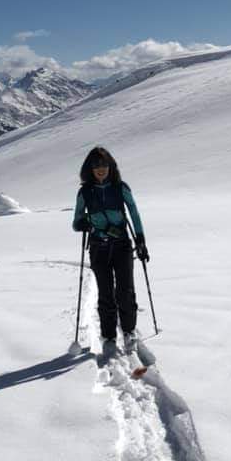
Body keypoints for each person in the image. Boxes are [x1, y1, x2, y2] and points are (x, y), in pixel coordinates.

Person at [73, 147, 149, 354]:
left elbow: (133, 211)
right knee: (105, 293)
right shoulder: (85, 192)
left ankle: (129, 331)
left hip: (122, 246)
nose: (100, 169)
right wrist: (85, 224)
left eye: (104, 165)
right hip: (98, 248)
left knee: (125, 291)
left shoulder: (120, 187)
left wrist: (141, 240)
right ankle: (108, 337)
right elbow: (77, 221)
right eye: (96, 165)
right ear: (89, 168)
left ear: (110, 166)